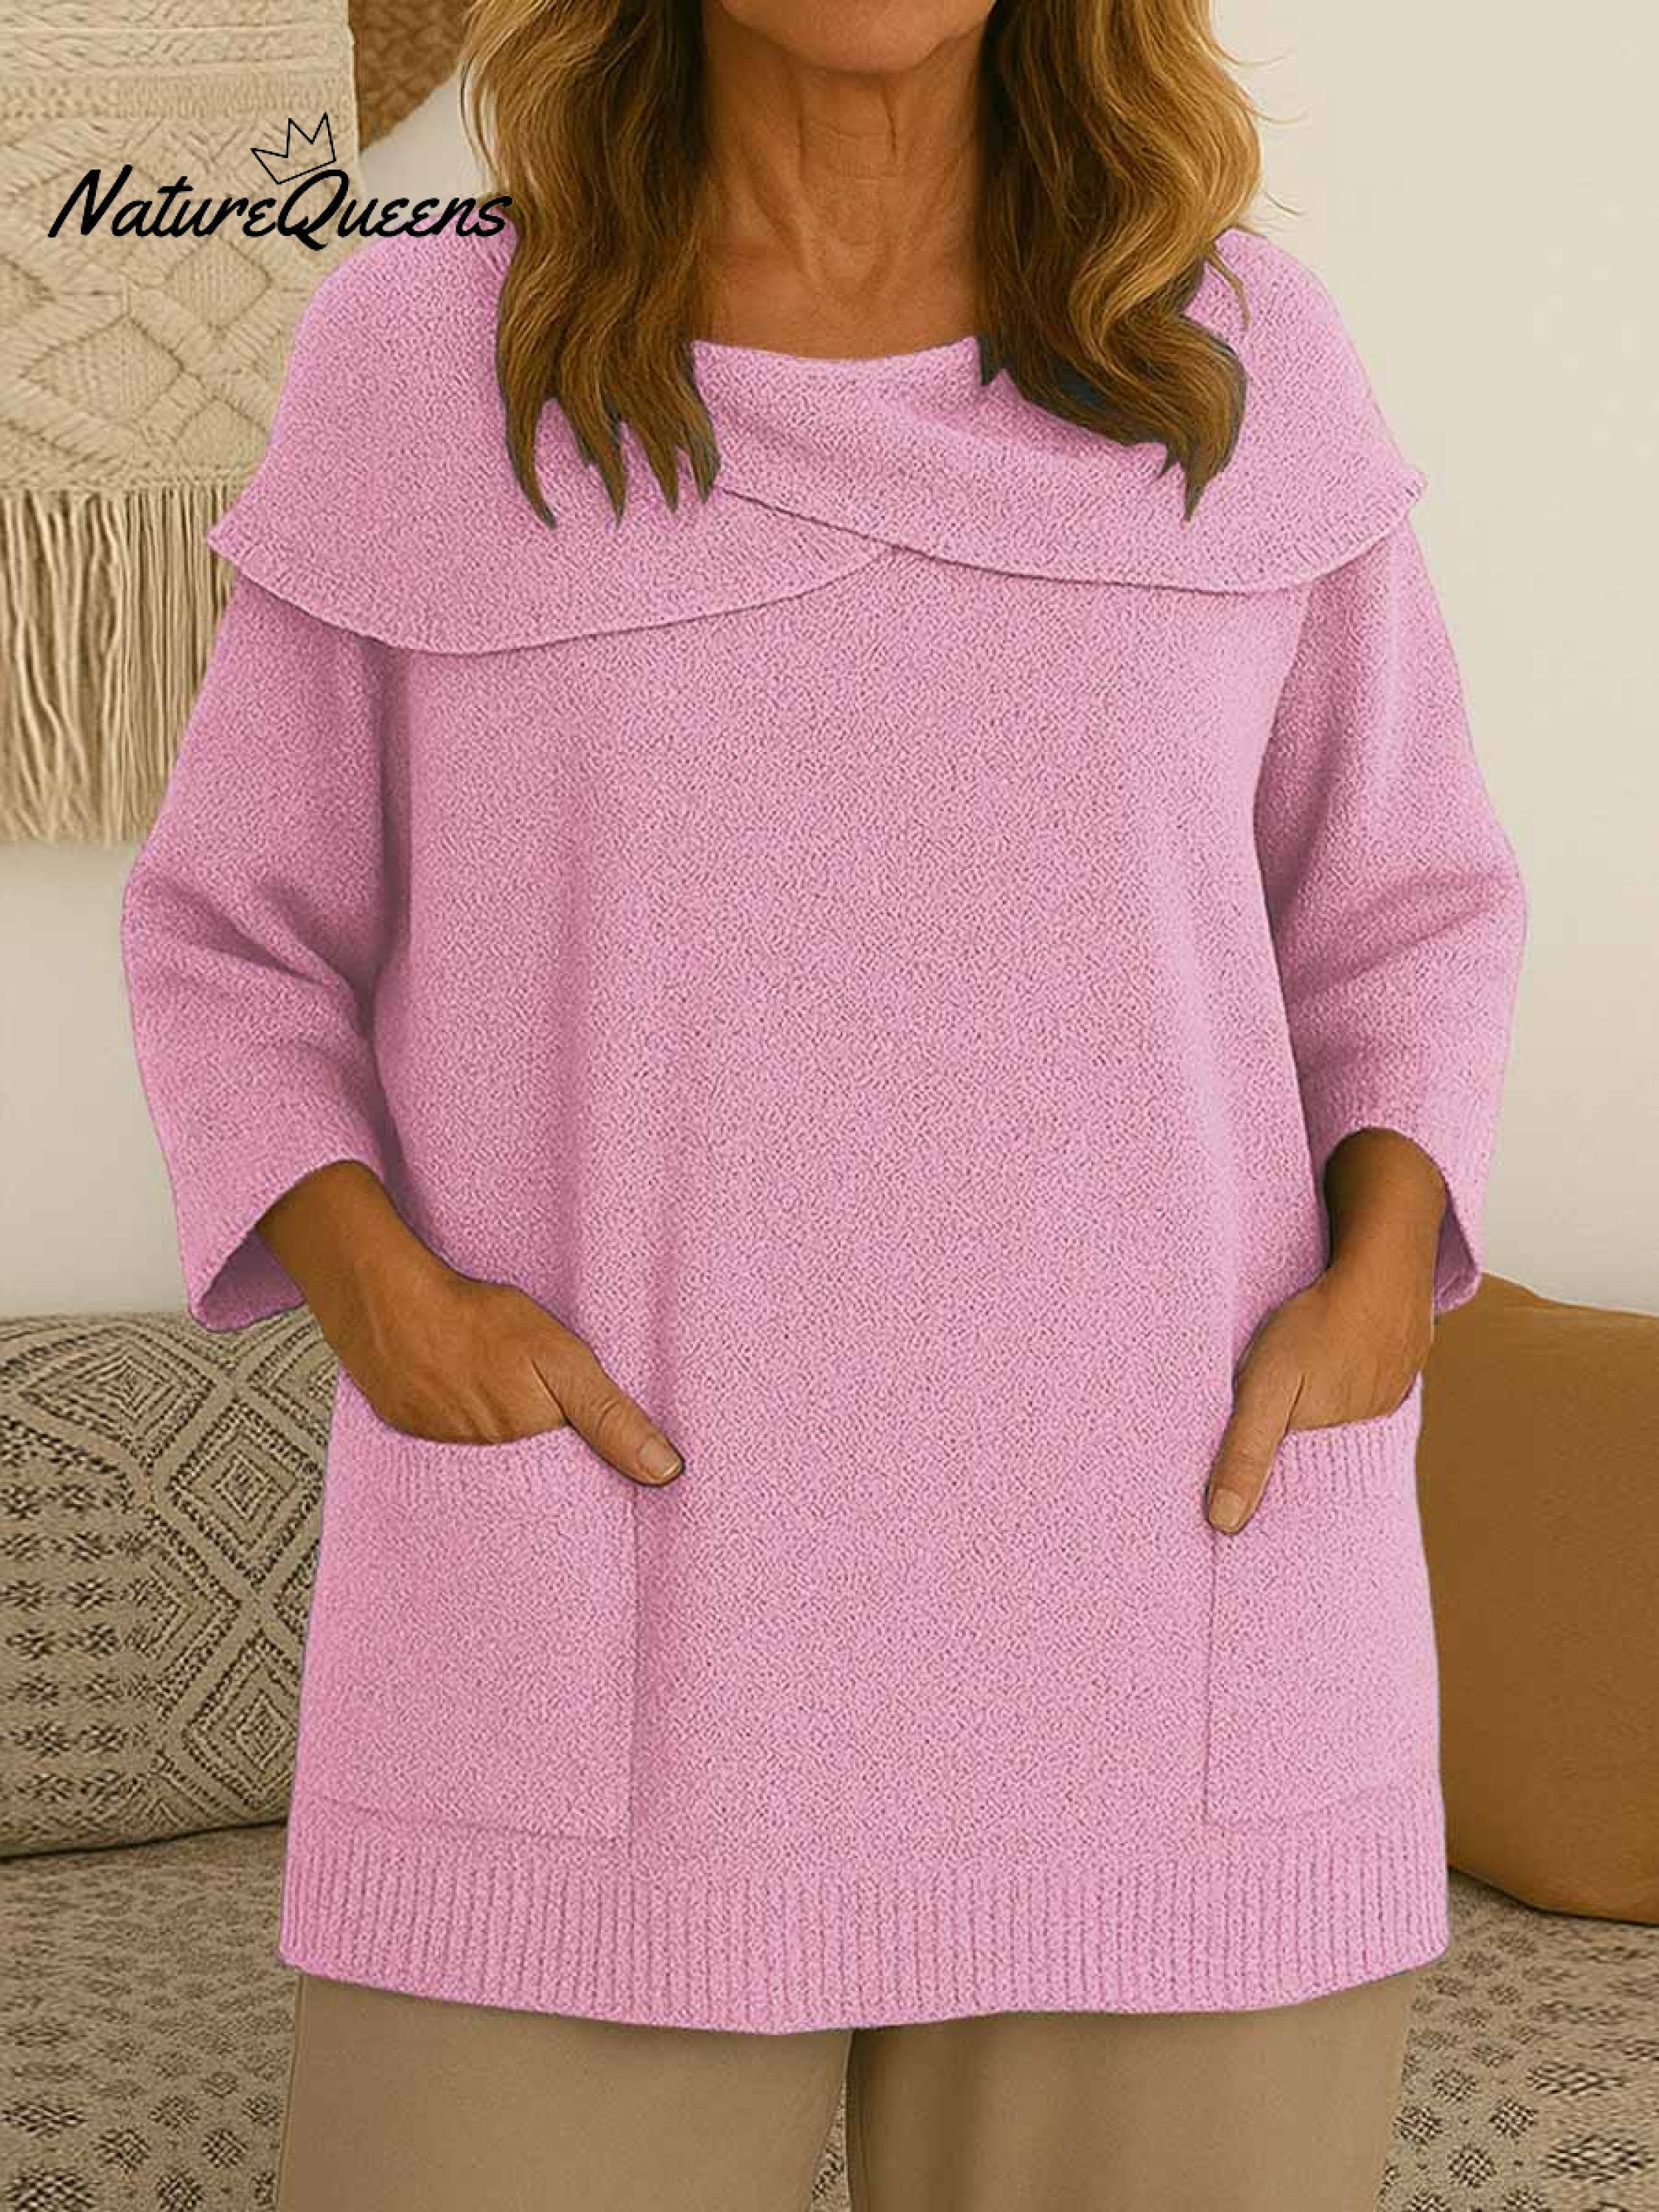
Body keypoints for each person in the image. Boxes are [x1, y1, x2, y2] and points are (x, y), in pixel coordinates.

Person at [118, 1, 1528, 2205]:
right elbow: (234, 934)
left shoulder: (1243, 356)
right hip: (600, 1627)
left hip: (1165, 1602)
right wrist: (388, 1301)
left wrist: (1374, 1291)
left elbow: (1407, 909)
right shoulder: (427, 357)